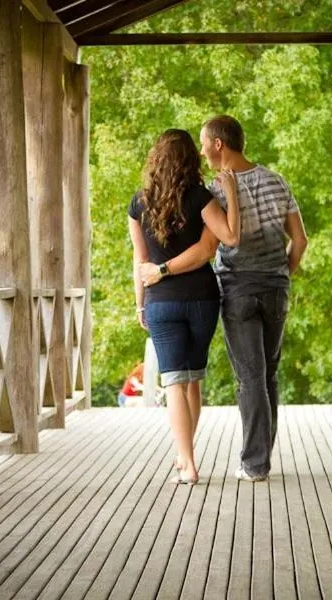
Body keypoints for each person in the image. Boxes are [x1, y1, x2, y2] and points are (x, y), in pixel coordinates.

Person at [141, 115, 308, 483]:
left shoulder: (212, 191)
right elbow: (300, 240)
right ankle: (261, 455)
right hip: (275, 287)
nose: (201, 150)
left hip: (237, 288)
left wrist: (158, 273)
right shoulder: (278, 181)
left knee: (250, 377)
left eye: (204, 143)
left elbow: (210, 244)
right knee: (268, 375)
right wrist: (283, 274)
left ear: (219, 144)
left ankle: (254, 464)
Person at [128, 128, 241, 485]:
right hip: (203, 298)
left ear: (156, 159)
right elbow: (226, 238)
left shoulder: (139, 203)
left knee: (174, 382)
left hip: (162, 302)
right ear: (191, 158)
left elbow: (139, 259)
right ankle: (185, 454)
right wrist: (232, 197)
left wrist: (140, 303)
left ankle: (187, 463)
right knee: (191, 380)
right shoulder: (200, 197)